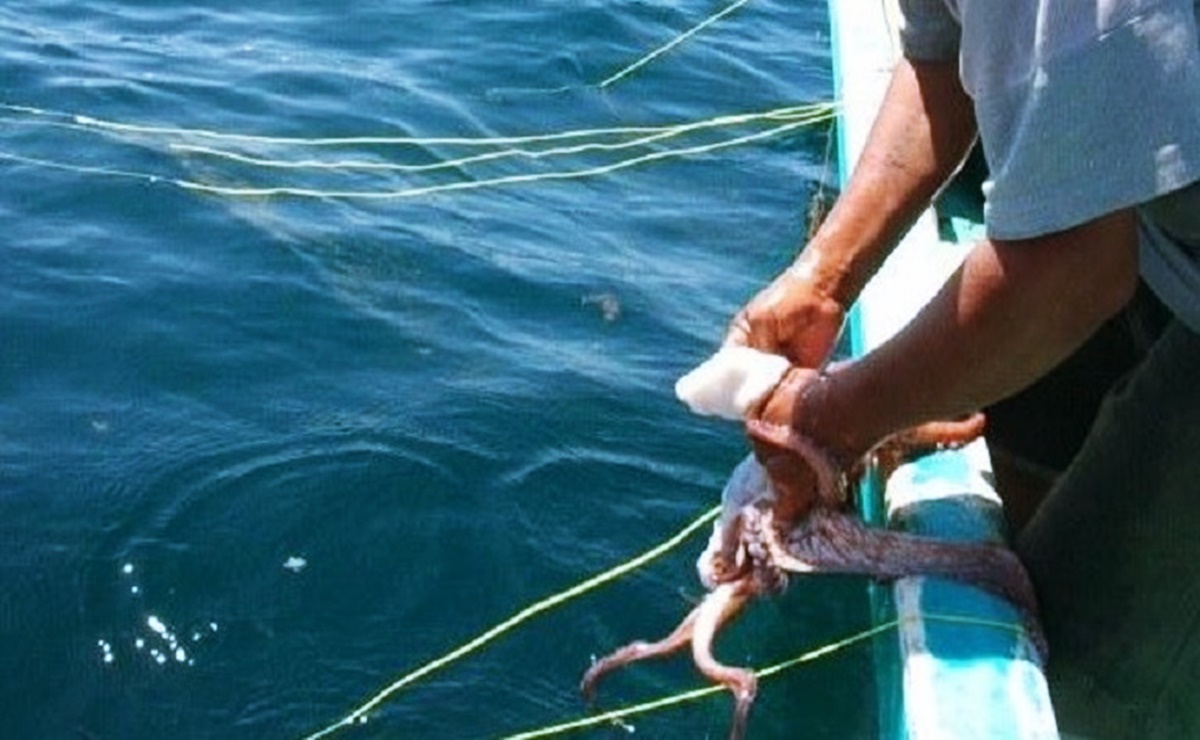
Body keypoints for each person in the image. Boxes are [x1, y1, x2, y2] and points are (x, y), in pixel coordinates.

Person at [726, 1, 1200, 736]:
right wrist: (823, 279)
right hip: (1167, 229)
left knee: (1083, 680)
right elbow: (944, 55)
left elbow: (1072, 270)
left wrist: (828, 424)